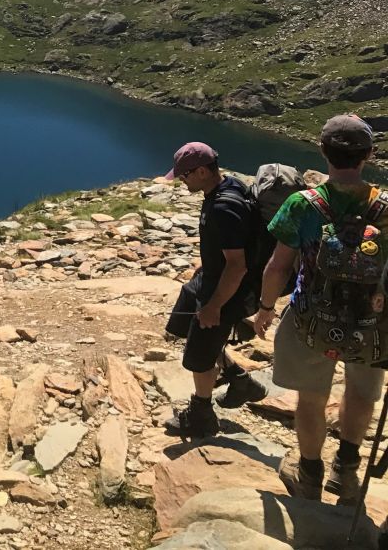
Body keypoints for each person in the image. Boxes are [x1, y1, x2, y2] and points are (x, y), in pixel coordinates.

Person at [254, 114, 386, 503]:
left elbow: (278, 265)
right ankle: (345, 470)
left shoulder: (303, 204)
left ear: (323, 151)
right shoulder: (385, 206)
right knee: (362, 392)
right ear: (369, 154)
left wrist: (264, 308)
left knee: (311, 396)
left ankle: (310, 472)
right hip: (372, 321)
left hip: (313, 317)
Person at [161, 142, 267, 437]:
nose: (182, 181)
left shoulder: (223, 207)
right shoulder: (227, 186)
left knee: (199, 354)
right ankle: (238, 378)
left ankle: (201, 416)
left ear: (204, 171)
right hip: (212, 278)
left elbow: (236, 266)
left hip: (226, 289)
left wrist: (214, 306)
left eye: (185, 175)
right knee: (186, 319)